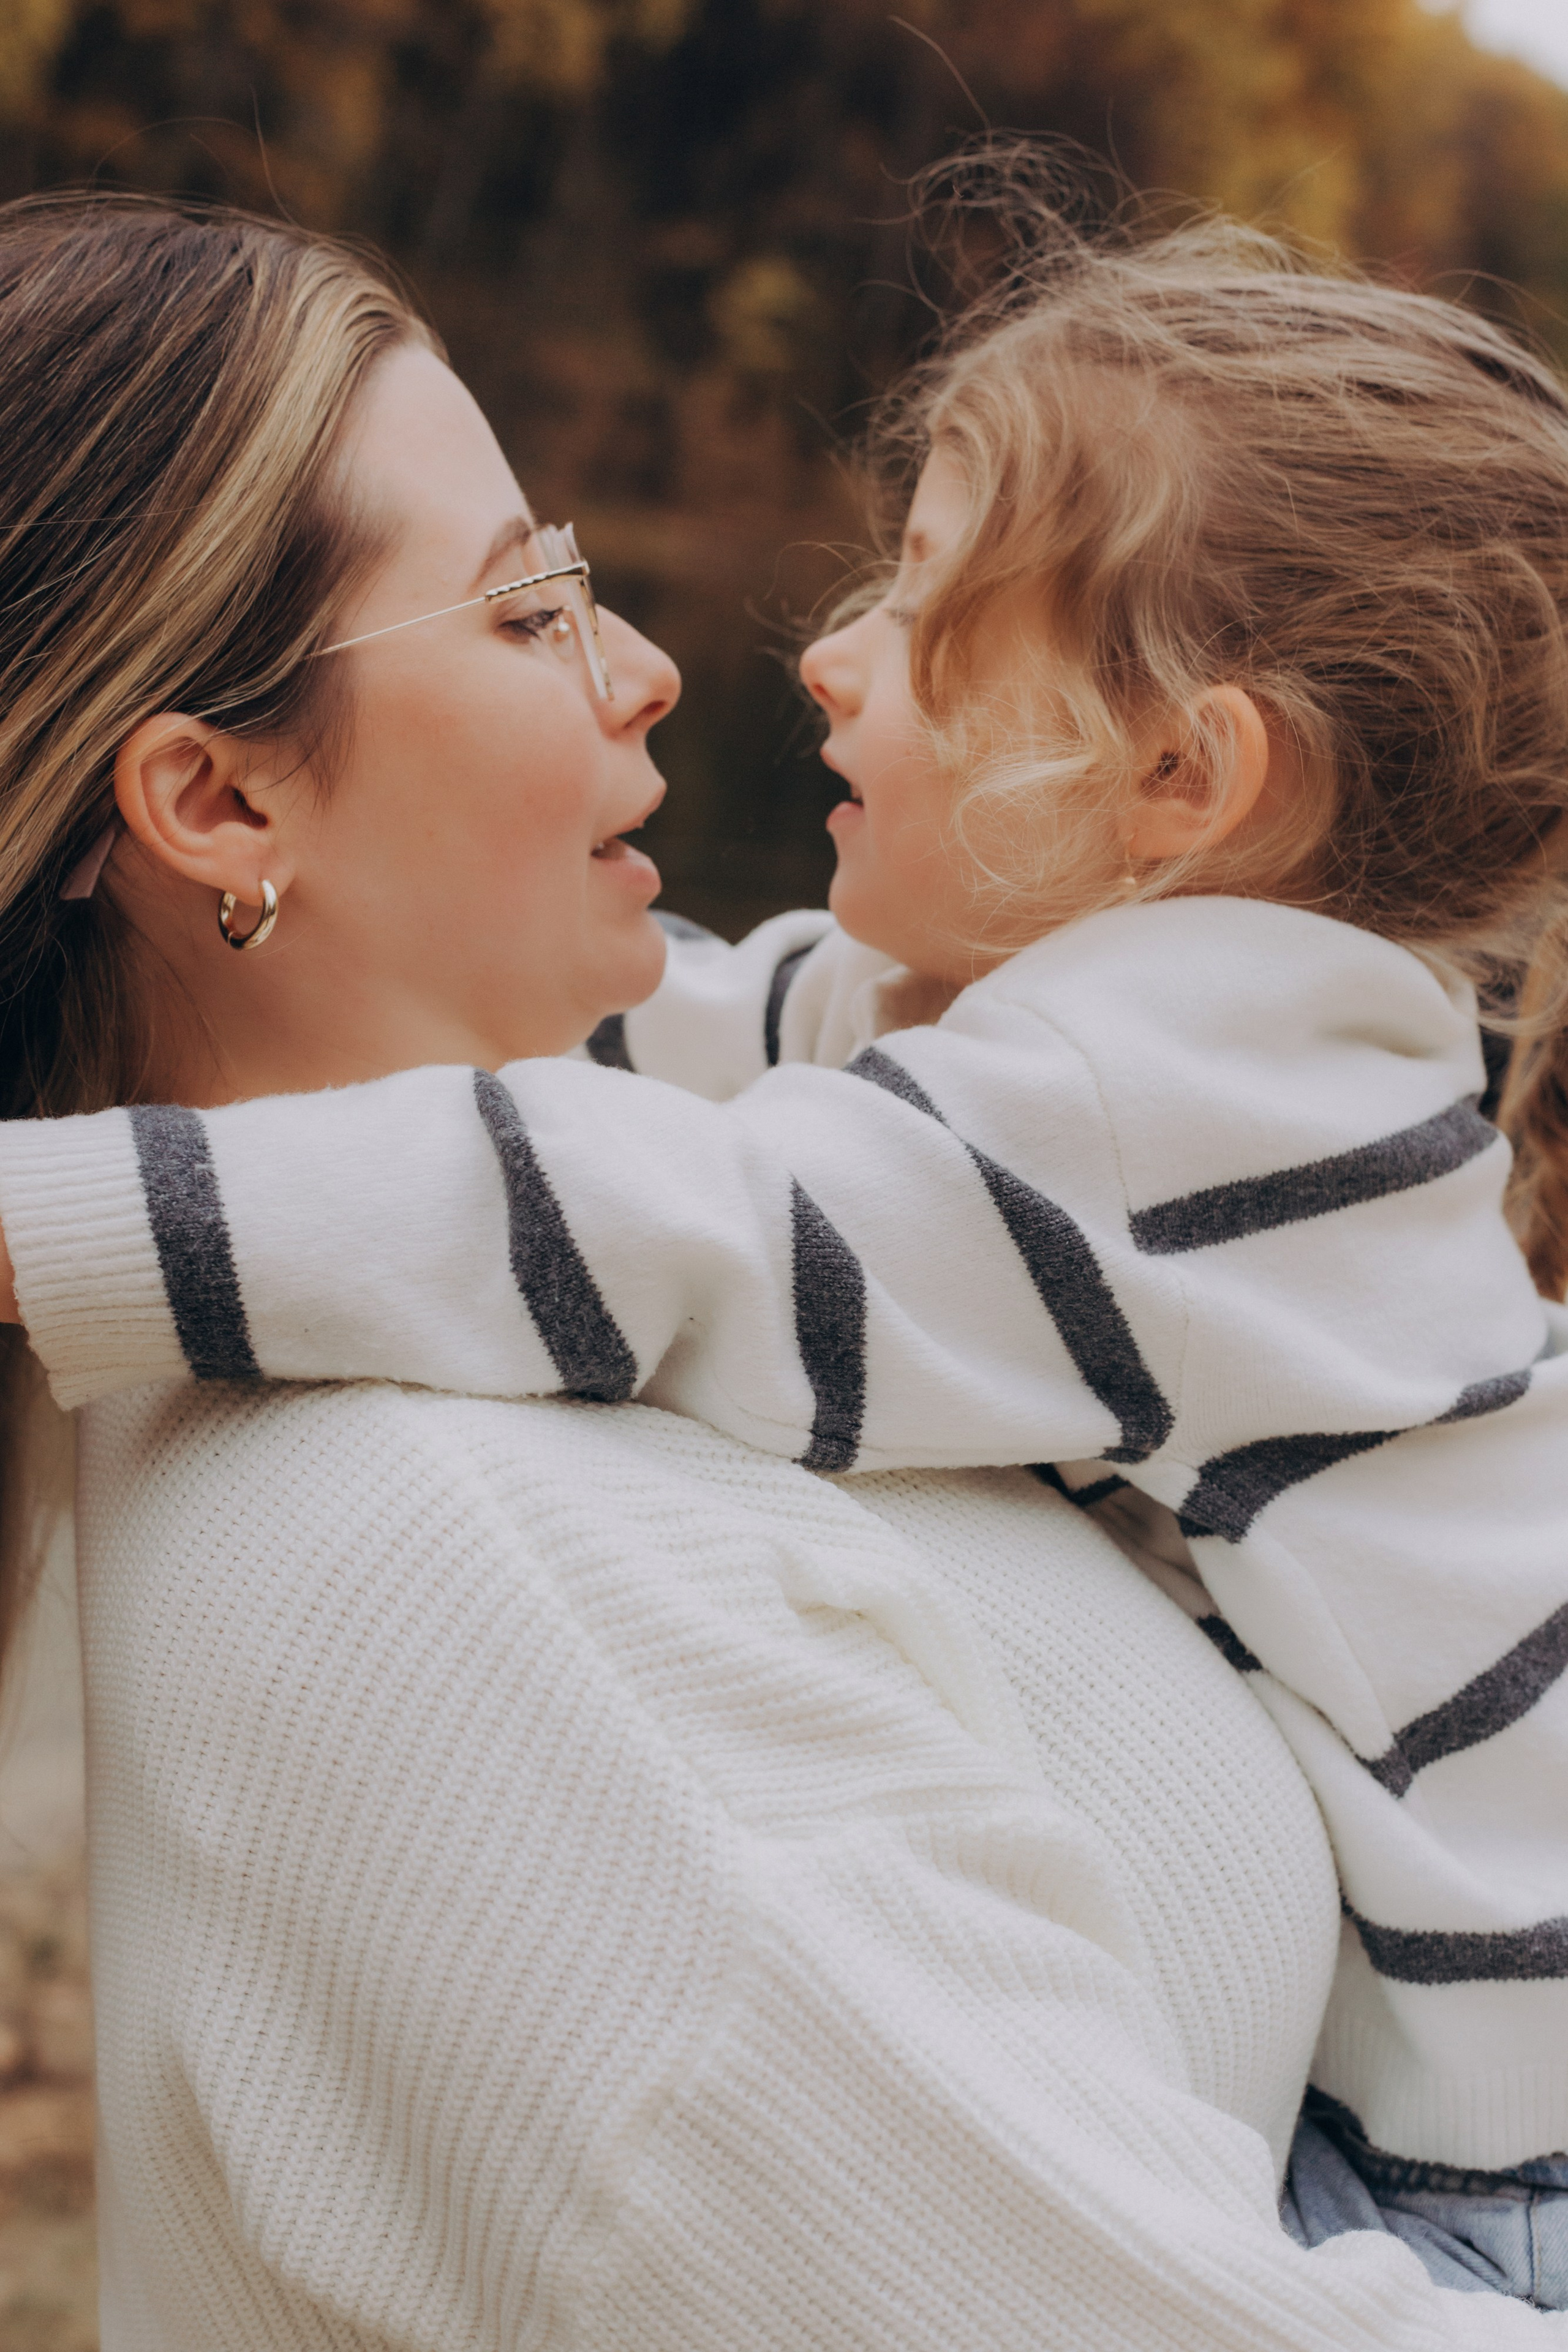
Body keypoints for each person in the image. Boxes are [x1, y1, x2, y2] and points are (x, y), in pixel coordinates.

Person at [0, 187, 1560, 2345]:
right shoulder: (485, 1586)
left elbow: (654, 1175)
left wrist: (54, 1217)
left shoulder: (1142, 1093)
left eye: (920, 606)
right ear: (215, 802)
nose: (676, 660)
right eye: (525, 609)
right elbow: (662, 1150)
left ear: (1187, 779)